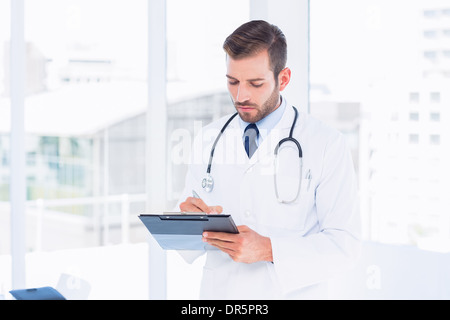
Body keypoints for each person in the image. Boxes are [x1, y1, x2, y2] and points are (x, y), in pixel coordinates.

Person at [177, 20, 361, 299]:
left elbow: (344, 246)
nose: (241, 95)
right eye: (232, 82)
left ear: (283, 79)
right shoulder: (209, 139)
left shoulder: (326, 144)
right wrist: (188, 222)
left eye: (256, 83)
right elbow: (188, 241)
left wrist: (268, 249)